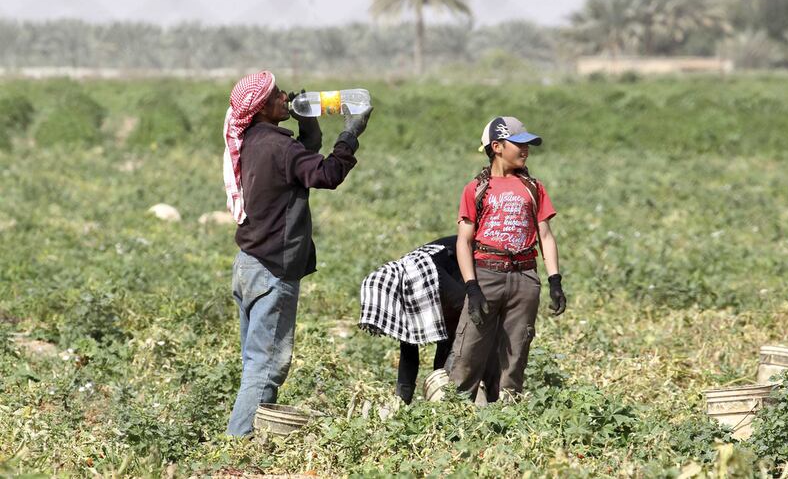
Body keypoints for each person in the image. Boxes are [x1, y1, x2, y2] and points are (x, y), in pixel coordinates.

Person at [222, 71, 372, 436]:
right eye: (277, 95)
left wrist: (309, 124)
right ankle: (237, 445)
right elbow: (326, 174)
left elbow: (302, 162)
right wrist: (350, 133)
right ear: (260, 108)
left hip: (249, 264)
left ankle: (244, 438)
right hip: (273, 269)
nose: (285, 96)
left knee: (253, 361)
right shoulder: (278, 146)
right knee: (266, 366)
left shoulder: (256, 140)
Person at [447, 116, 567, 400]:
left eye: (528, 145)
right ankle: (453, 414)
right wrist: (472, 287)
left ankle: (508, 417)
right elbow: (464, 241)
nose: (526, 150)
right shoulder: (476, 189)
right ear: (497, 146)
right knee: (468, 352)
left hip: (524, 276)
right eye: (519, 144)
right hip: (487, 273)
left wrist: (555, 280)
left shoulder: (533, 188)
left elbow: (546, 236)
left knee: (516, 352)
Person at [360, 236, 499, 404]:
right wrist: (401, 401)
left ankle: (493, 398)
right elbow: (409, 352)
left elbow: (469, 314)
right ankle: (450, 401)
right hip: (447, 286)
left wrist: (454, 371)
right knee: (444, 356)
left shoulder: (430, 277)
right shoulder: (404, 289)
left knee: (469, 334)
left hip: (473, 262)